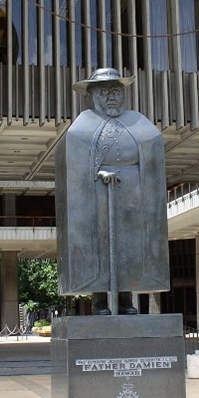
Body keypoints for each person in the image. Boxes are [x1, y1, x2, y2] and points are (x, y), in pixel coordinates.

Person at [55, 68, 169, 315]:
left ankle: (126, 300)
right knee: (102, 246)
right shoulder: (83, 124)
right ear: (92, 95)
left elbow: (151, 152)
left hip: (134, 197)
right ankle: (99, 300)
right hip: (98, 197)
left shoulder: (137, 121)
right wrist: (98, 175)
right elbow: (76, 164)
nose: (111, 97)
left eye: (116, 91)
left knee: (130, 247)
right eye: (104, 92)